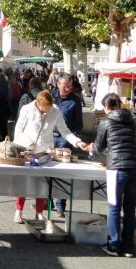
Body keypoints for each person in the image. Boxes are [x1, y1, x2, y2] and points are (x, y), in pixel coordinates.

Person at [12, 91, 88, 224]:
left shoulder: (55, 111)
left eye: (50, 108)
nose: (48, 111)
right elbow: (18, 131)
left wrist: (77, 142)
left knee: (42, 183)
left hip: (44, 150)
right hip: (26, 150)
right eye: (45, 109)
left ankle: (39, 212)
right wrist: (27, 144)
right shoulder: (27, 109)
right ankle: (18, 211)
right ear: (38, 104)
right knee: (23, 181)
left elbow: (65, 131)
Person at [87, 93, 136, 258]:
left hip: (117, 168)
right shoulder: (134, 121)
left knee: (114, 206)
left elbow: (97, 148)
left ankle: (113, 245)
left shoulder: (105, 123)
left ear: (106, 108)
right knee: (130, 208)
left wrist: (90, 152)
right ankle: (128, 248)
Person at [52, 73, 83, 218]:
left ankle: (61, 207)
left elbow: (78, 124)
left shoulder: (75, 101)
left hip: (65, 139)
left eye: (69, 87)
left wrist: (73, 138)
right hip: (48, 137)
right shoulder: (50, 96)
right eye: (64, 86)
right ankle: (47, 201)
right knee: (47, 170)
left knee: (62, 173)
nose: (67, 89)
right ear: (58, 84)